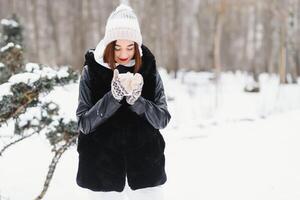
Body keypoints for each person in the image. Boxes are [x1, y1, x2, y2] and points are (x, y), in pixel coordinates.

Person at [75, 4, 171, 200]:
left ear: (137, 45)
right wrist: (114, 97)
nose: (124, 54)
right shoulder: (91, 71)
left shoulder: (149, 69)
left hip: (146, 172)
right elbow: (84, 123)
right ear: (109, 44)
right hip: (101, 173)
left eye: (130, 47)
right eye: (117, 47)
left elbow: (162, 120)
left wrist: (137, 101)